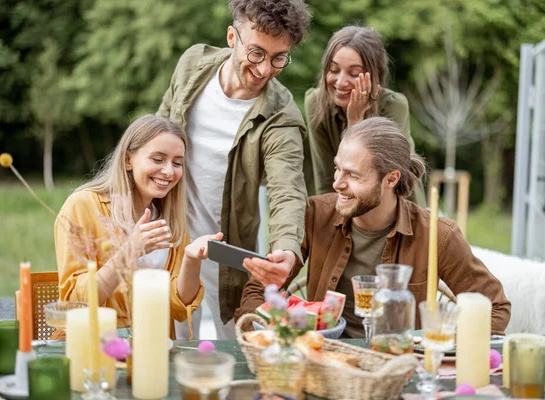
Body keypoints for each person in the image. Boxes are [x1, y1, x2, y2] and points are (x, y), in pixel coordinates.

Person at [237, 117, 511, 336]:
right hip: (321, 361)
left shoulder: (438, 235)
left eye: (353, 175)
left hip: (397, 369)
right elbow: (257, 290)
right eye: (337, 169)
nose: (337, 183)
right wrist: (265, 334)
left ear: (390, 179)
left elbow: (495, 308)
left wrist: (441, 344)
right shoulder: (314, 214)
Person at [157, 0, 311, 339]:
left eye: (278, 58)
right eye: (256, 53)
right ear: (232, 37)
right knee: (170, 345)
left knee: (238, 347)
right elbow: (158, 137)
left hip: (228, 252)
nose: (265, 69)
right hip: (168, 236)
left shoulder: (280, 115)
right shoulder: (191, 65)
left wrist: (286, 247)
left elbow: (288, 190)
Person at [55, 114, 222, 340]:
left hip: (155, 345)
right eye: (157, 159)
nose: (169, 171)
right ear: (128, 160)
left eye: (177, 162)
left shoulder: (169, 217)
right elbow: (75, 303)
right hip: (93, 344)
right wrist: (130, 250)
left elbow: (178, 308)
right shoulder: (82, 206)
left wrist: (192, 260)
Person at [305, 26, 426, 206]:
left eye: (354, 73)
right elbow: (325, 179)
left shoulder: (394, 106)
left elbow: (386, 183)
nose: (340, 82)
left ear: (375, 76)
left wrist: (355, 122)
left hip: (399, 207)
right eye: (334, 69)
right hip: (347, 207)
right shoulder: (316, 103)